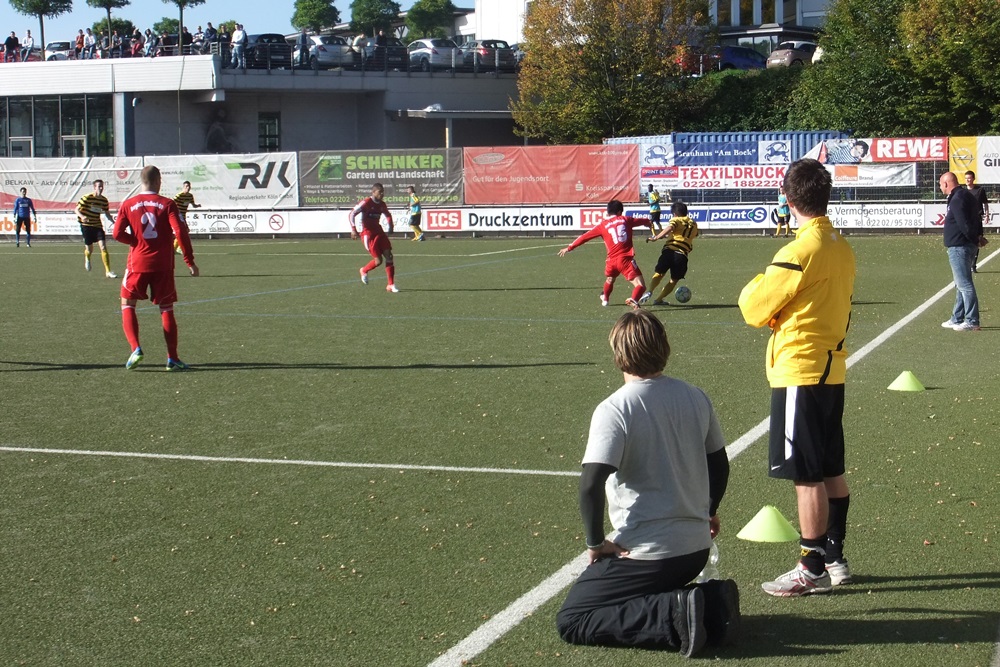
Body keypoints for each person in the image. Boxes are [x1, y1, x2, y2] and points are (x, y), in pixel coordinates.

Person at [555, 309, 738, 658]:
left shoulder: (615, 409)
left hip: (650, 555)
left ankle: (673, 614)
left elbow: (591, 483)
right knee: (629, 593)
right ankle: (710, 603)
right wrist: (709, 511)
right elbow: (720, 465)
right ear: (663, 347)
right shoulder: (695, 396)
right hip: (696, 550)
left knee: (573, 618)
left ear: (618, 353)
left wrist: (596, 543)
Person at [738, 158, 856, 597]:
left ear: (788, 200)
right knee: (829, 468)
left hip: (800, 368)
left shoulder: (796, 252)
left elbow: (753, 308)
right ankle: (834, 557)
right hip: (830, 367)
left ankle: (811, 568)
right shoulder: (840, 245)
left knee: (806, 474)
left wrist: (757, 284)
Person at [113, 165, 199, 371]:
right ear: (159, 181)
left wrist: (135, 241)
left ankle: (135, 349)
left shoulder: (128, 204)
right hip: (163, 265)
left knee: (127, 303)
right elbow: (180, 232)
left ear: (141, 181)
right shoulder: (168, 204)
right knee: (166, 309)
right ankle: (172, 358)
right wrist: (189, 260)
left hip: (137, 263)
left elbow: (116, 234)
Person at [558, 199, 650, 309]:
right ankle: (634, 300)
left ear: (608, 212)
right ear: (620, 212)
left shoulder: (602, 225)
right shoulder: (626, 220)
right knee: (640, 285)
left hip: (611, 262)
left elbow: (584, 237)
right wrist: (648, 223)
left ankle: (605, 299)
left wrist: (569, 248)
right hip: (625, 260)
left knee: (610, 279)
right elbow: (643, 220)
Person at [940, 171, 983, 332]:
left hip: (960, 246)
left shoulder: (957, 198)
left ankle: (972, 320)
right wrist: (978, 236)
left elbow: (963, 223)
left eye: (940, 184)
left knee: (964, 284)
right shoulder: (966, 195)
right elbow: (976, 218)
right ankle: (956, 318)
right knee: (960, 284)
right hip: (965, 245)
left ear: (946, 183)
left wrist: (975, 238)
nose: (940, 187)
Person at [640, 201, 698, 305]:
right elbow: (694, 234)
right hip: (681, 255)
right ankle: (659, 299)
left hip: (669, 251)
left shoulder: (676, 220)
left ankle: (650, 291)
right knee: (673, 280)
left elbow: (670, 227)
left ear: (674, 214)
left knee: (659, 273)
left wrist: (656, 237)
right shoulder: (694, 224)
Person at [349, 182, 398, 293]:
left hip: (379, 232)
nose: (382, 194)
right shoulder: (366, 202)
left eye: (383, 192)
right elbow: (352, 213)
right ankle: (364, 270)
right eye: (380, 192)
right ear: (373, 192)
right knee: (378, 261)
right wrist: (353, 229)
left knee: (389, 256)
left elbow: (387, 214)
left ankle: (390, 284)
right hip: (368, 234)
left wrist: (391, 226)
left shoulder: (382, 204)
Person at [75, 179, 119, 279]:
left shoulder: (104, 200)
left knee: (103, 247)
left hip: (97, 226)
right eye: (99, 186)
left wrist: (114, 222)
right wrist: (82, 216)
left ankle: (108, 271)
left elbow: (107, 214)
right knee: (89, 249)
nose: (100, 188)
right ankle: (87, 257)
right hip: (86, 226)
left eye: (102, 186)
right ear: (94, 187)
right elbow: (76, 210)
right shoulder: (87, 198)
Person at [964, 170, 989, 273]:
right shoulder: (963, 192)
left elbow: (985, 203)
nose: (967, 180)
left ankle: (973, 265)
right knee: (967, 240)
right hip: (967, 220)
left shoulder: (980, 190)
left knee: (978, 241)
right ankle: (967, 262)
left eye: (969, 178)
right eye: (966, 178)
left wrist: (987, 215)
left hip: (977, 219)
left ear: (973, 179)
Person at [172, 180, 201, 254]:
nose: (188, 188)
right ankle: (175, 248)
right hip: (177, 216)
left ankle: (176, 248)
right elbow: (171, 202)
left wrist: (197, 206)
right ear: (183, 187)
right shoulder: (179, 195)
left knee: (185, 231)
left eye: (189, 186)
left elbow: (193, 205)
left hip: (183, 216)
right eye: (186, 186)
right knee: (182, 231)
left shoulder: (190, 196)